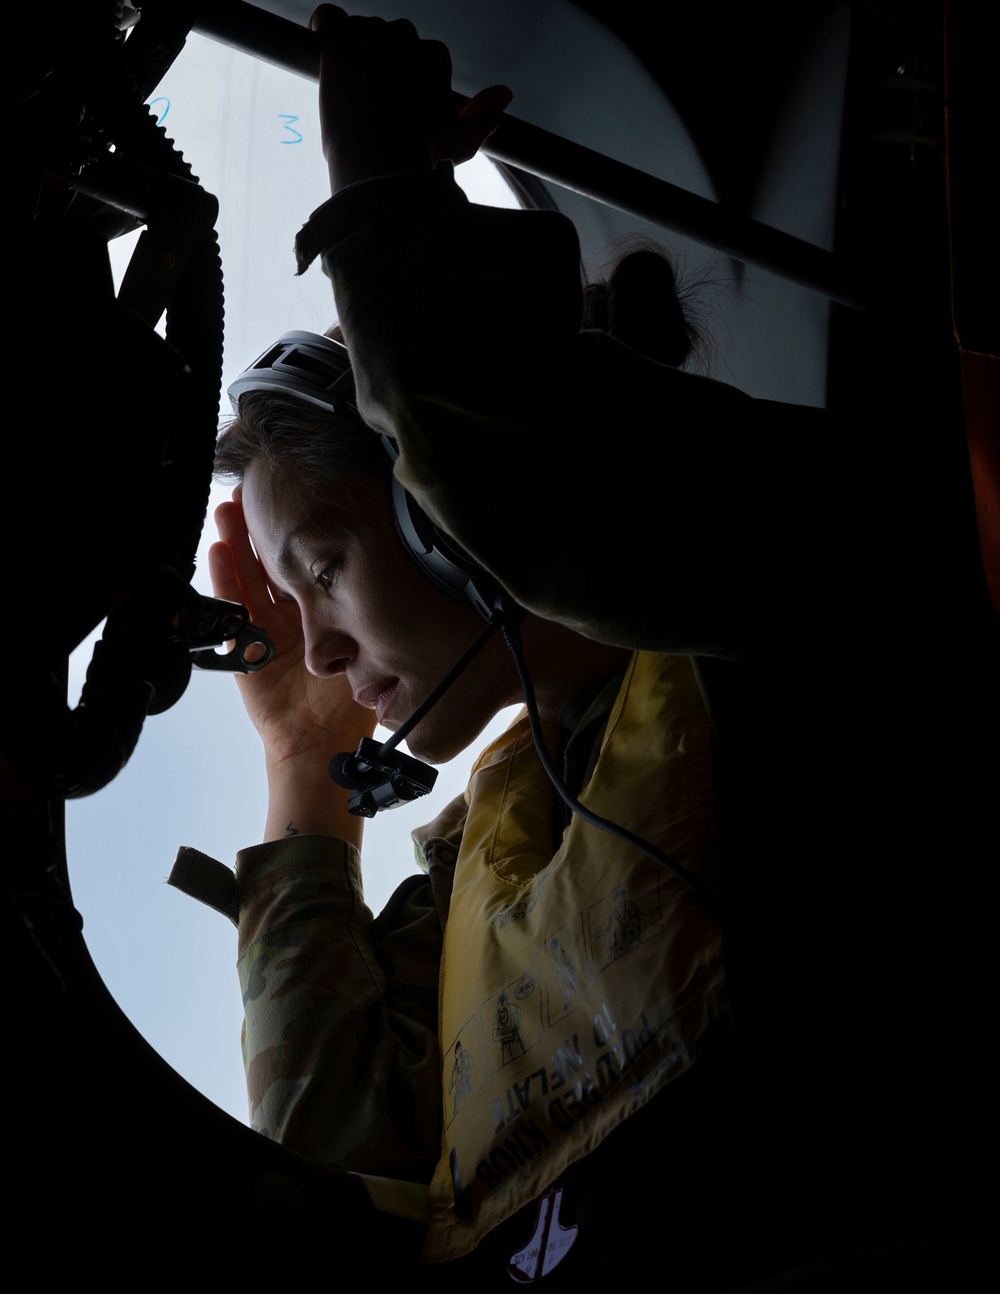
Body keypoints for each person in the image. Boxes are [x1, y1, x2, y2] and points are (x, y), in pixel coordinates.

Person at [172, 6, 973, 1286]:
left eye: (321, 567)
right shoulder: (482, 865)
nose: (312, 647)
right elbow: (327, 1160)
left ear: (438, 518)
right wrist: (300, 767)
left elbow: (541, 484)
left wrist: (384, 202)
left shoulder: (752, 597)